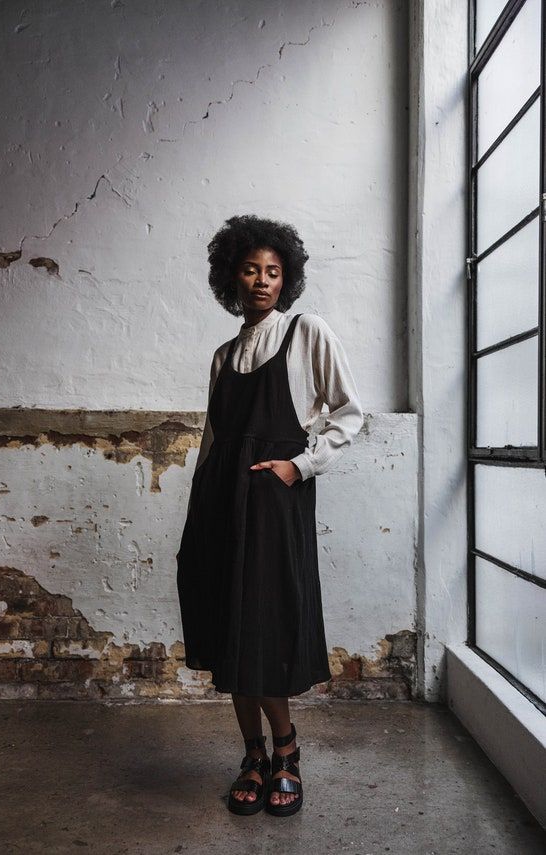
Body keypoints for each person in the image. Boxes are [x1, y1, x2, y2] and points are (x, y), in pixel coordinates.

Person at [176, 214, 364, 817]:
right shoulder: (224, 355)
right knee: (228, 625)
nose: (263, 280)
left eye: (274, 271)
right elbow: (212, 441)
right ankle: (252, 755)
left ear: (287, 278)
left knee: (264, 624)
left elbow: (348, 413)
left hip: (273, 501)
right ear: (232, 277)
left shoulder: (306, 333)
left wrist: (299, 467)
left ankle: (286, 751)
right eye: (252, 269)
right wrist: (198, 511)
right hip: (219, 503)